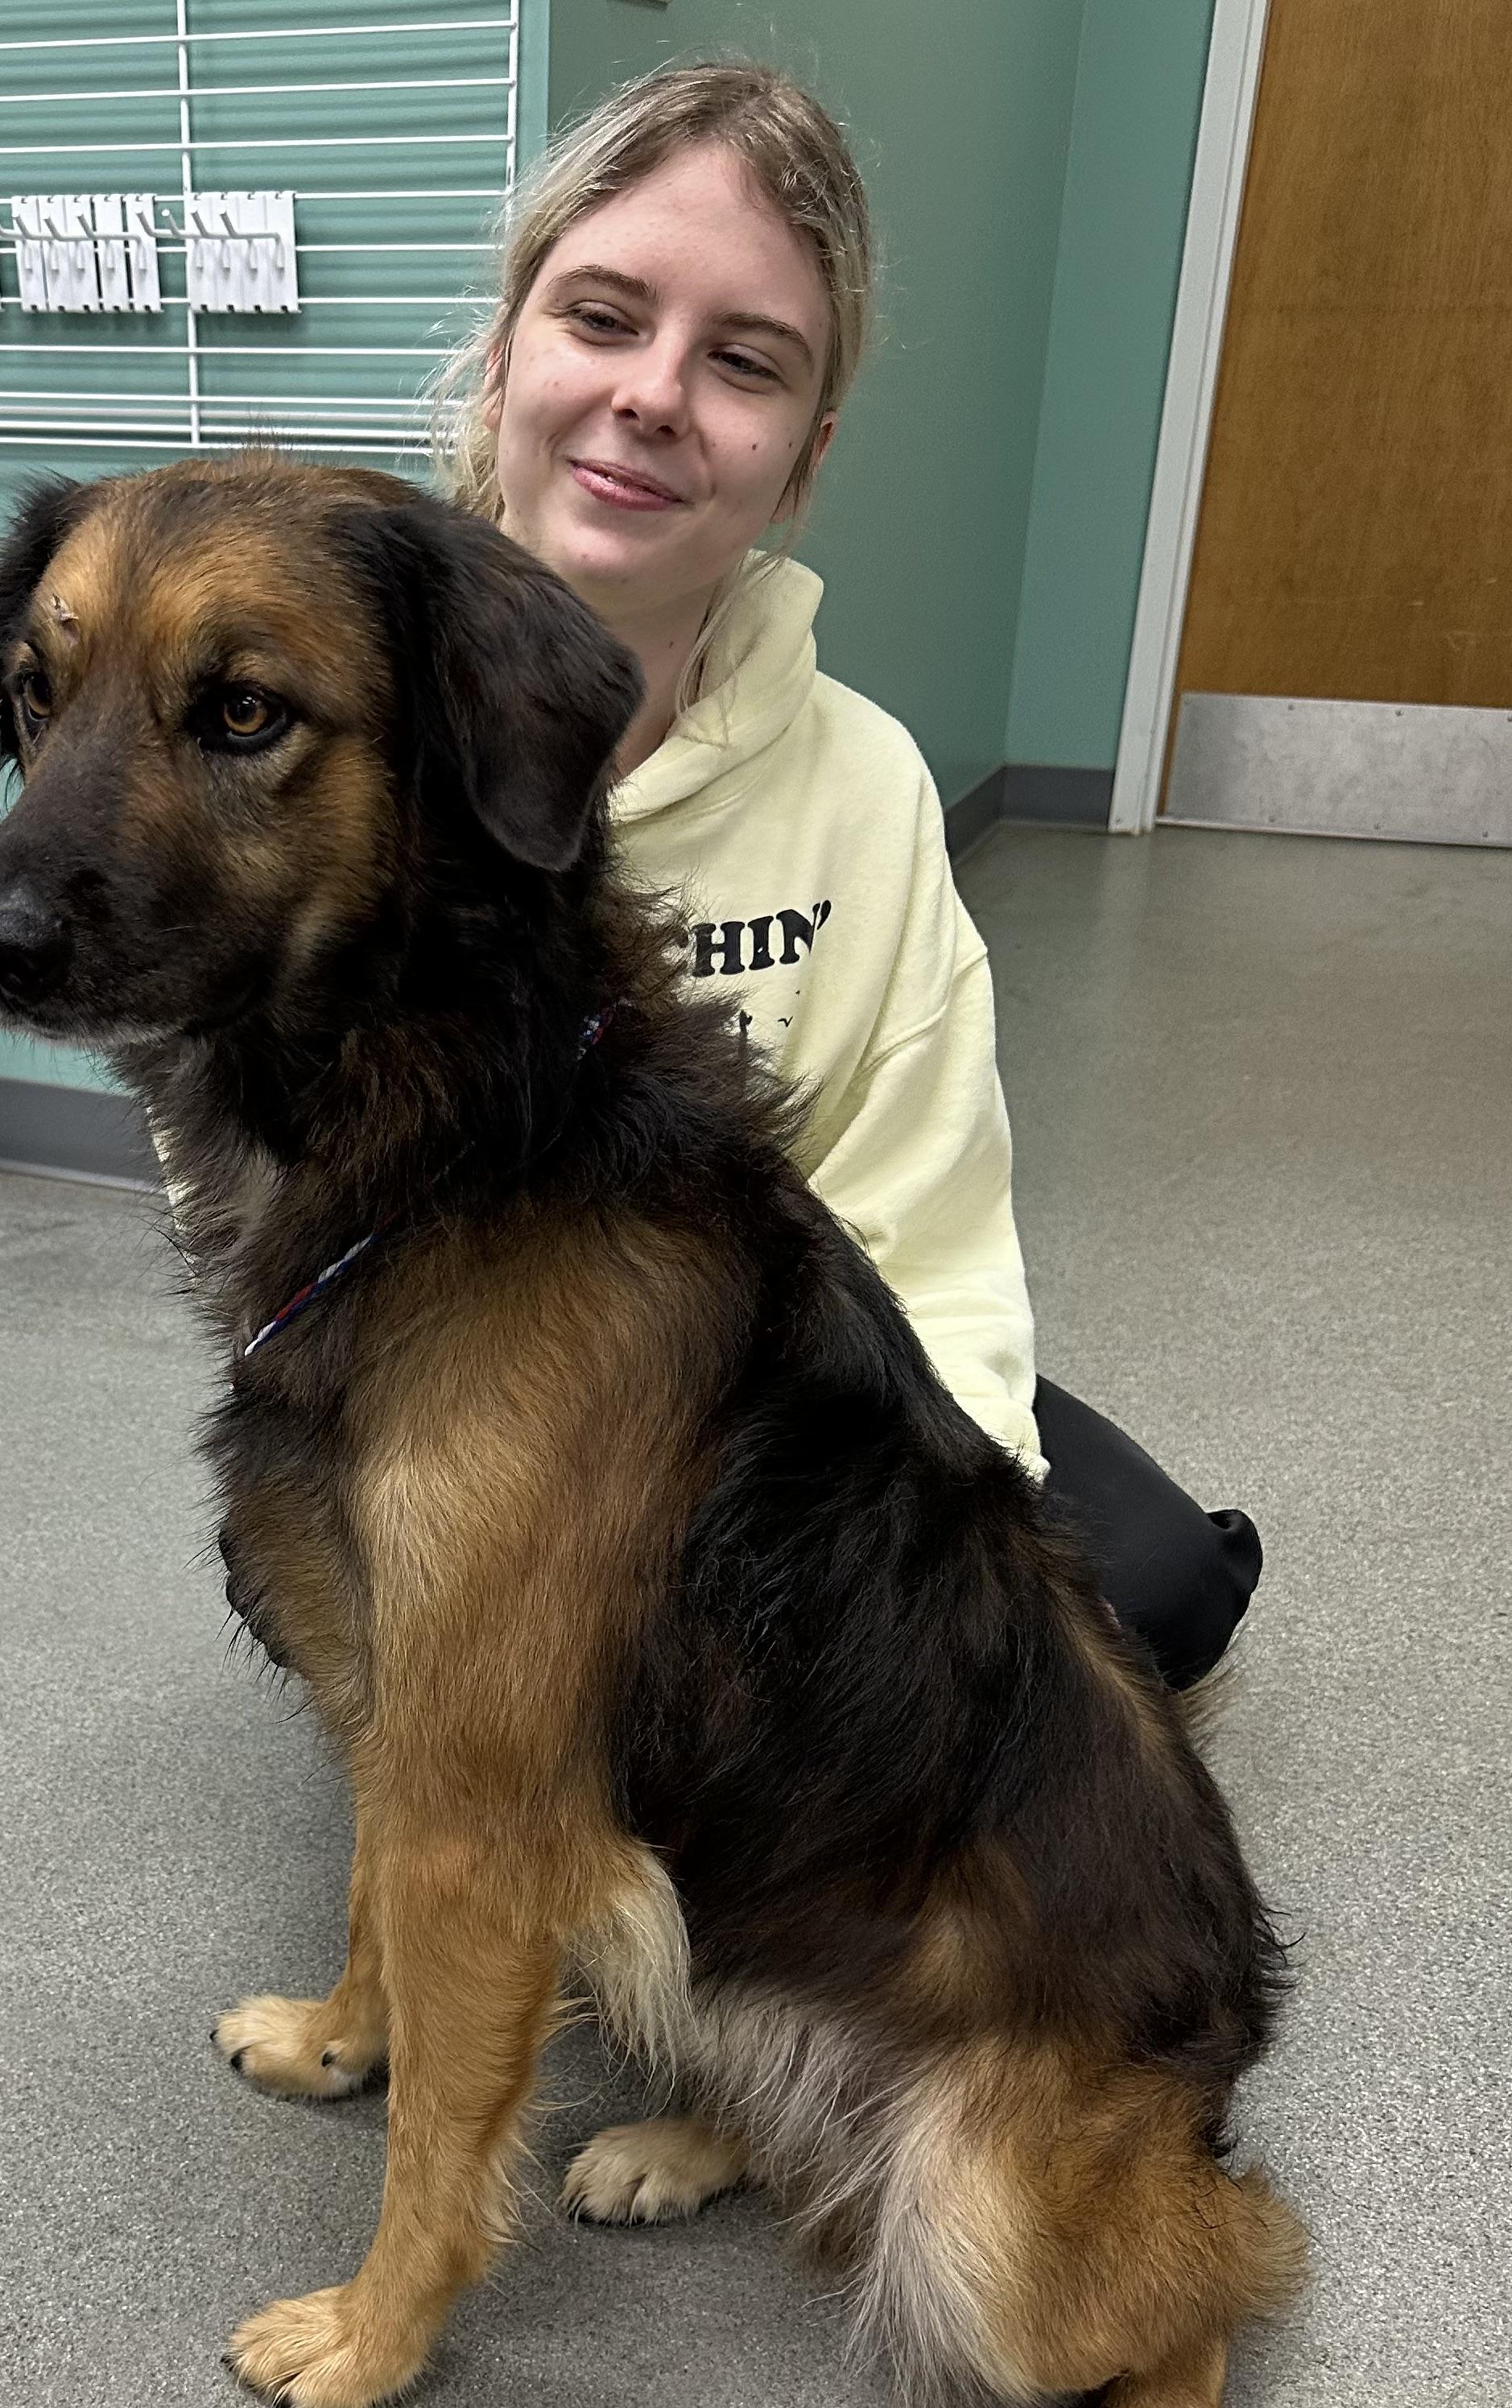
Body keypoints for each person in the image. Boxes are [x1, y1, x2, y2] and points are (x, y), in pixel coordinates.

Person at [433, 59, 1261, 1689]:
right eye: (603, 318)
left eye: (741, 361)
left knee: (1144, 1596)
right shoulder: (322, 728)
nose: (657, 395)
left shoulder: (867, 783)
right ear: (501, 358)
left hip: (788, 1373)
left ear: (801, 460)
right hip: (451, 1390)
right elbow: (261, 1217)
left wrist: (927, 1537)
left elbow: (920, 1208)